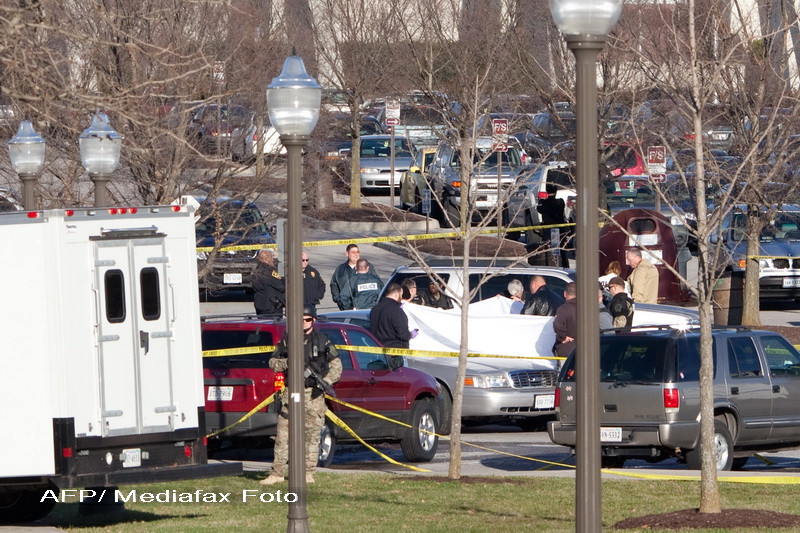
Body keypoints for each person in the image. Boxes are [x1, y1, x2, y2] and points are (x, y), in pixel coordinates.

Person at [260, 304, 342, 485]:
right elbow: (273, 362)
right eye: (301, 319)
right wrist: (288, 363)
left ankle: (307, 472)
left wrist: (325, 383)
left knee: (311, 436)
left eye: (308, 319)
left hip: (313, 394)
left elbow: (337, 367)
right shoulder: (288, 340)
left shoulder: (322, 341)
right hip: (291, 392)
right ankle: (277, 472)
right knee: (283, 434)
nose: (304, 323)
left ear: (314, 320)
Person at [330, 244, 377, 310]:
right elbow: (334, 284)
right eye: (353, 252)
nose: (356, 254)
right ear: (347, 254)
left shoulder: (368, 267)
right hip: (346, 306)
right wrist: (338, 299)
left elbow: (377, 283)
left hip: (365, 306)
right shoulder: (340, 269)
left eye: (357, 252)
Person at [370, 282, 416, 348]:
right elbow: (403, 335)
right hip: (395, 352)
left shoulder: (375, 309)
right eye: (401, 294)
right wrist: (411, 334)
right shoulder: (396, 311)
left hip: (377, 349)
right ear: (398, 293)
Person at [536, 183, 570, 268]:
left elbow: (539, 209)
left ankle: (550, 267)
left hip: (548, 230)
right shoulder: (560, 201)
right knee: (562, 251)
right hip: (560, 230)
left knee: (549, 251)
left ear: (547, 192)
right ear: (555, 193)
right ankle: (565, 267)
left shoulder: (543, 202)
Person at [253, 249, 285, 316]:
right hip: (272, 306)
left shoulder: (256, 272)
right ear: (267, 259)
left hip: (259, 305)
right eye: (271, 257)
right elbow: (280, 287)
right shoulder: (270, 272)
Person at [552, 282, 577, 358]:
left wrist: (562, 338)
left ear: (565, 294)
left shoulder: (563, 309)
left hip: (567, 351)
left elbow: (557, 325)